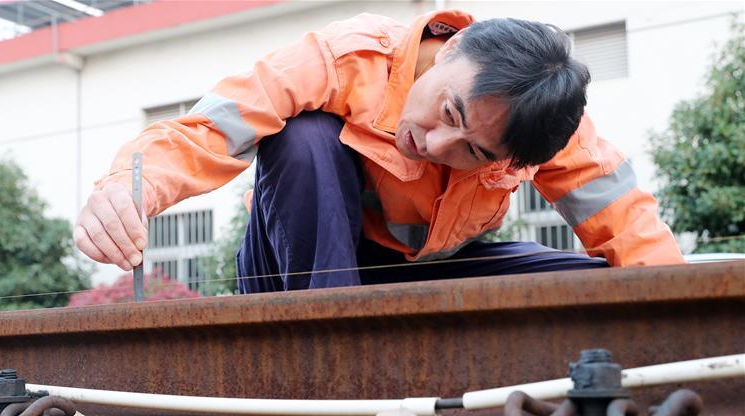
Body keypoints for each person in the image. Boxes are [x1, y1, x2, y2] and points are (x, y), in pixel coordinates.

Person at [74, 9, 685, 294]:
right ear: (452, 49)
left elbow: (628, 224)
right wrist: (128, 189)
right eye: (449, 113)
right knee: (304, 136)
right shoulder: (345, 57)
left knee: (591, 291)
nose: (436, 145)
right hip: (296, 273)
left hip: (416, 276)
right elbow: (209, 129)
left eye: (473, 151)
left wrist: (678, 318)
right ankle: (330, 338)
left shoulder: (537, 128)